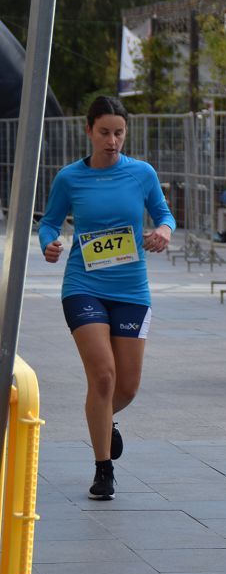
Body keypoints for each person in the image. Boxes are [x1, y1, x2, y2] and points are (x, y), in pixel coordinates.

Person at [38, 96, 175, 500]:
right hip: (84, 286)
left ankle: (103, 420)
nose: (112, 141)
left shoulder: (142, 174)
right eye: (104, 133)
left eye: (118, 133)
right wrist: (50, 244)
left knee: (127, 387)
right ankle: (103, 469)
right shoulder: (70, 178)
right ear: (89, 132)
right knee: (102, 376)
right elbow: (47, 223)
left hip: (132, 289)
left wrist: (164, 231)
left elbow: (164, 214)